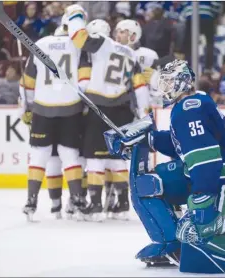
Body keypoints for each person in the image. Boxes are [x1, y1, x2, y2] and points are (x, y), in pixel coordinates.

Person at [103, 59, 225, 273]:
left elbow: (205, 157)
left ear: (181, 82)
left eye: (169, 83)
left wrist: (202, 199)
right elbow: (181, 144)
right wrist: (147, 139)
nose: (164, 88)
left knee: (204, 240)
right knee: (148, 185)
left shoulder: (189, 109)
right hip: (205, 177)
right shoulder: (190, 104)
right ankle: (170, 245)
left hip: (224, 180)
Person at [65, 4, 149, 222]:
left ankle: (95, 205)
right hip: (122, 110)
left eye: (124, 31)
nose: (119, 33)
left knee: (94, 158)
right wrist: (144, 115)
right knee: (117, 158)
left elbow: (78, 38)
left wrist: (75, 15)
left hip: (98, 107)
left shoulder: (105, 44)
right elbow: (140, 89)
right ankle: (121, 204)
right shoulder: (132, 57)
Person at [19, 14, 87, 221]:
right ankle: (77, 199)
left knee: (39, 156)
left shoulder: (41, 42)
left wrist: (26, 107)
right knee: (70, 155)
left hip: (43, 107)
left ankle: (31, 201)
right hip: (71, 108)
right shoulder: (78, 45)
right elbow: (85, 81)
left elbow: (27, 82)